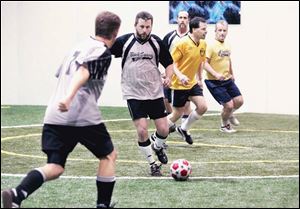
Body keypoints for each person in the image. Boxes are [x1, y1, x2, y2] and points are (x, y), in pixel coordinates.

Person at [1, 11, 121, 208]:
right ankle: (103, 205)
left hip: (54, 115)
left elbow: (62, 75)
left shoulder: (78, 47)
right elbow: (83, 72)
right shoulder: (101, 51)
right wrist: (69, 97)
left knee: (55, 167)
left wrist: (65, 98)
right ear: (115, 32)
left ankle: (16, 195)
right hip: (81, 114)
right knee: (109, 155)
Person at [110, 11, 173, 176]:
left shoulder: (157, 43)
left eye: (147, 27)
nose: (145, 30)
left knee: (164, 130)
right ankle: (152, 164)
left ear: (151, 26)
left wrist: (169, 78)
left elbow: (169, 64)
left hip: (154, 92)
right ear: (135, 26)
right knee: (142, 130)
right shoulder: (124, 42)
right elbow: (105, 51)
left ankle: (157, 146)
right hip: (133, 93)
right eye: (142, 26)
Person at [167, 17, 208, 145]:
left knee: (202, 107)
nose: (206, 31)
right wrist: (180, 76)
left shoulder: (203, 44)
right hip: (179, 84)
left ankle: (184, 128)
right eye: (203, 29)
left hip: (192, 83)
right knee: (177, 114)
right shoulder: (182, 43)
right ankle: (157, 136)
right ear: (194, 29)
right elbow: (171, 63)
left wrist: (200, 79)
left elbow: (200, 62)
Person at [204, 20, 243, 133]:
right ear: (215, 31)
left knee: (239, 101)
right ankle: (224, 125)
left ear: (227, 32)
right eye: (219, 30)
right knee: (229, 105)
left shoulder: (227, 45)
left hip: (227, 79)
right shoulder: (210, 45)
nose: (222, 33)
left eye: (224, 30)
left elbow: (228, 60)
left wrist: (232, 73)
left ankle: (229, 114)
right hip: (213, 81)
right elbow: (204, 63)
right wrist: (215, 74)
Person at [162, 10, 192, 127]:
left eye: (185, 18)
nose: (183, 20)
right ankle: (171, 124)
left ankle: (184, 130)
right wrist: (162, 72)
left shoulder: (191, 38)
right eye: (180, 17)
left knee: (186, 104)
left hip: (185, 76)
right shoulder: (169, 37)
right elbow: (162, 55)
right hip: (170, 74)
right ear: (177, 19)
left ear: (188, 20)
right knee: (166, 100)